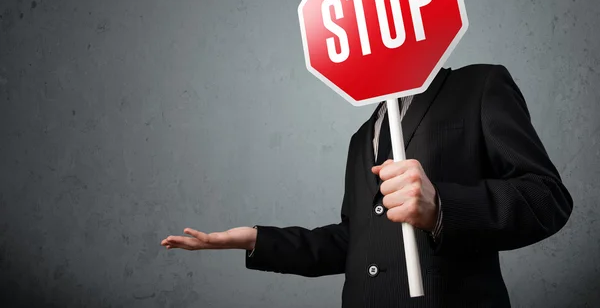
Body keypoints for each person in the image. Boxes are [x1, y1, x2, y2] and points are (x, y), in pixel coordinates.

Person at [161, 64, 573, 307]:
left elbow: (546, 197)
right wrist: (254, 239)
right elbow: (354, 240)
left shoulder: (478, 86)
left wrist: (442, 208)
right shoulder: (362, 138)